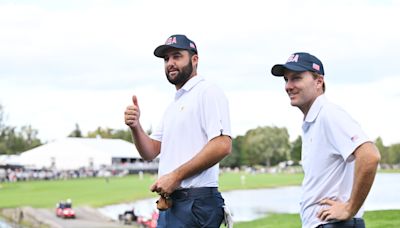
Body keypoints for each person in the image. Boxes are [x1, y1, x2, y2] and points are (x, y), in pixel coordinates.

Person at [124, 34, 232, 227]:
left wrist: (175, 176)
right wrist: (136, 126)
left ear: (195, 59)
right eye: (166, 59)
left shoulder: (207, 91)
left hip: (197, 203)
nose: (170, 63)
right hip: (171, 204)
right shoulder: (173, 106)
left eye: (176, 56)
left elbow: (222, 144)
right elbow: (150, 151)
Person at [270, 52, 380, 228]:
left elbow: (370, 156)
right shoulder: (314, 120)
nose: (288, 86)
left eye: (296, 78)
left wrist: (349, 208)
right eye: (286, 79)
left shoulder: (329, 114)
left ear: (318, 82)